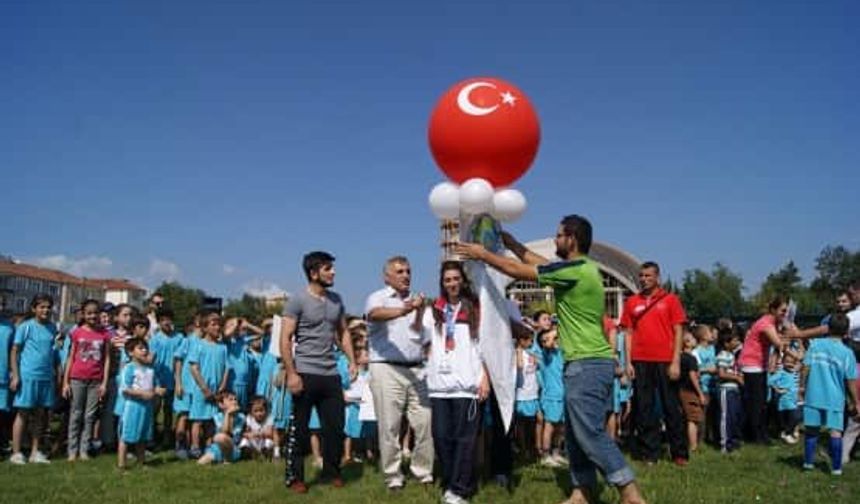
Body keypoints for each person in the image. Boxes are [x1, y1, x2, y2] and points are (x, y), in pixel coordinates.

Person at [456, 215, 644, 504]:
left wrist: (484, 254)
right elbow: (534, 261)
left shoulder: (575, 271)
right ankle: (581, 492)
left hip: (588, 363)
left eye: (558, 236)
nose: (554, 240)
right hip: (584, 364)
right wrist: (513, 244)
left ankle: (629, 492)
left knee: (590, 433)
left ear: (572, 239)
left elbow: (515, 270)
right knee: (575, 434)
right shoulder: (580, 269)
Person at [413, 260, 489, 504]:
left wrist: (485, 378)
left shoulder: (476, 309)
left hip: (467, 386)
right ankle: (452, 481)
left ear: (463, 281)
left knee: (465, 440)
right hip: (439, 386)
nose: (452, 283)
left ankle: (459, 490)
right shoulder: (433, 310)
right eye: (448, 280)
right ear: (442, 283)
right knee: (442, 437)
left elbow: (485, 347)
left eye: (456, 279)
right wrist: (416, 310)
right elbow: (418, 335)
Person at [281, 251, 356, 493]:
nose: (333, 272)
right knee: (300, 432)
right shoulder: (297, 300)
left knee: (335, 427)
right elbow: (285, 338)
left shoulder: (337, 300)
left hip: (330, 373)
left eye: (332, 268)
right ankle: (295, 478)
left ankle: (331, 472)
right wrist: (292, 373)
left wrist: (352, 360)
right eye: (327, 268)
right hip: (304, 372)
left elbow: (343, 332)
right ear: (314, 273)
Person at [364, 256, 434, 491]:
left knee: (425, 421)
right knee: (390, 426)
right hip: (386, 367)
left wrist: (417, 312)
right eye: (400, 271)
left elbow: (423, 336)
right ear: (387, 276)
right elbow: (373, 314)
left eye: (408, 271)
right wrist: (405, 309)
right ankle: (393, 475)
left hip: (416, 368)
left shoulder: (419, 304)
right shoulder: (379, 297)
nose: (406, 275)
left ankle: (422, 470)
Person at [620, 262, 689, 465]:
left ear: (657, 277)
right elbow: (628, 333)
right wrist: (628, 362)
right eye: (641, 275)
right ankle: (650, 452)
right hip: (640, 361)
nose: (644, 279)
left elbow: (678, 331)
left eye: (648, 275)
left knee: (671, 407)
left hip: (666, 360)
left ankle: (679, 453)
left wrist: (676, 360)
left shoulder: (670, 300)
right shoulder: (632, 302)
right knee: (644, 408)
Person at [801, 313, 858, 476]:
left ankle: (808, 464)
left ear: (828, 328)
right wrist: (856, 401)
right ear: (846, 332)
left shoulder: (815, 345)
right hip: (835, 398)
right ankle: (836, 468)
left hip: (813, 395)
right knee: (835, 432)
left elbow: (805, 368)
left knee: (811, 431)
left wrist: (802, 387)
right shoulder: (847, 353)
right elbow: (851, 380)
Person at [9, 294, 58, 465]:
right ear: (34, 308)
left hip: (46, 377)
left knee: (39, 415)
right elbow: (15, 351)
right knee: (22, 414)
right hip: (28, 376)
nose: (46, 310)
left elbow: (53, 353)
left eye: (48, 307)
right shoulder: (25, 327)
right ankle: (16, 452)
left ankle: (35, 452)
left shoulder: (52, 328)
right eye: (42, 307)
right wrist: (16, 375)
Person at [62, 299, 111, 461]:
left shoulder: (104, 334)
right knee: (76, 414)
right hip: (77, 378)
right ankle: (72, 450)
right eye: (89, 313)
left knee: (90, 416)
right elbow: (71, 357)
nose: (93, 316)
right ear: (83, 314)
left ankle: (84, 449)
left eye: (95, 313)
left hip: (95, 380)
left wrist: (104, 383)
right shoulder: (76, 332)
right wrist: (66, 382)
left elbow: (107, 359)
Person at [738, 297, 789, 444]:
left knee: (760, 402)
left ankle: (757, 432)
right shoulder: (765, 324)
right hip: (752, 365)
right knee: (757, 402)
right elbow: (779, 343)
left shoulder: (771, 323)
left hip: (759, 365)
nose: (784, 314)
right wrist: (789, 336)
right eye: (782, 311)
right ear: (773, 310)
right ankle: (756, 435)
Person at [118, 337, 165, 469]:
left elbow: (154, 385)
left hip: (147, 408)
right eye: (140, 348)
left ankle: (141, 462)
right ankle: (122, 465)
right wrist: (141, 394)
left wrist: (157, 390)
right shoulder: (129, 368)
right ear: (130, 352)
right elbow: (124, 388)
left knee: (143, 435)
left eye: (145, 348)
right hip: (133, 407)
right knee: (126, 436)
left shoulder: (151, 369)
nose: (144, 351)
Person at [188, 312, 230, 459]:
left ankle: (209, 445)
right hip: (201, 388)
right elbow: (194, 368)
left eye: (219, 324)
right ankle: (194, 446)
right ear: (205, 328)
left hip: (217, 389)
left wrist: (223, 384)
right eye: (213, 324)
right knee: (198, 419)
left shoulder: (223, 348)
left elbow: (226, 367)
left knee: (211, 419)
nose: (217, 327)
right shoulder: (198, 345)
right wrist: (204, 388)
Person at [149, 308, 183, 447]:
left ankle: (167, 438)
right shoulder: (155, 339)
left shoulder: (179, 338)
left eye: (168, 319)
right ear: (158, 322)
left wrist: (178, 379)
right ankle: (151, 437)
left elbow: (180, 359)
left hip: (173, 379)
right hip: (157, 379)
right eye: (163, 320)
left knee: (169, 410)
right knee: (155, 409)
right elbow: (151, 359)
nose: (166, 322)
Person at [537, 328, 566, 468]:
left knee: (561, 427)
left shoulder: (559, 352)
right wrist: (551, 334)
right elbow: (548, 343)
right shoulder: (545, 354)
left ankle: (556, 453)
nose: (551, 341)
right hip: (551, 396)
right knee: (549, 426)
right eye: (545, 339)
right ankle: (545, 455)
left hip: (563, 394)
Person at [716, 327, 744, 454]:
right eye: (734, 340)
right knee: (726, 417)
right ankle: (725, 444)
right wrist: (737, 378)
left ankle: (734, 440)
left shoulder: (731, 355)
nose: (737, 342)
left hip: (734, 389)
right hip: (726, 390)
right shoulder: (722, 355)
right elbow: (721, 373)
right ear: (726, 343)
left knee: (735, 416)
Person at [198, 391, 246, 465]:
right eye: (230, 400)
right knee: (201, 463)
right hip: (217, 448)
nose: (234, 402)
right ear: (221, 405)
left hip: (233, 447)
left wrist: (230, 415)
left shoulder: (242, 417)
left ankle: (227, 460)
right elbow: (224, 431)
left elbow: (227, 433)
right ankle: (220, 459)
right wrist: (227, 414)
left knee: (220, 437)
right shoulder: (216, 417)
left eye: (235, 399)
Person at [172, 320, 197, 459]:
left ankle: (191, 445)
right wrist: (179, 383)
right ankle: (180, 444)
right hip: (186, 385)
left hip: (197, 387)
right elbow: (178, 360)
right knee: (183, 415)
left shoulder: (203, 342)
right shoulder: (187, 341)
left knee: (195, 417)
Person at [514, 330, 540, 462]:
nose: (531, 342)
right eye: (529, 340)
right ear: (521, 340)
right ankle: (522, 450)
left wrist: (535, 357)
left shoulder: (532, 353)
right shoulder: (516, 353)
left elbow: (539, 365)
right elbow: (519, 366)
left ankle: (531, 449)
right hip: (521, 395)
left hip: (532, 394)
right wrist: (518, 351)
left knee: (532, 424)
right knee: (522, 425)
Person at [679, 332, 705, 453]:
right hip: (689, 391)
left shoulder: (679, 357)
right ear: (687, 343)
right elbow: (692, 376)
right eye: (693, 339)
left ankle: (684, 441)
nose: (695, 340)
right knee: (693, 419)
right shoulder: (691, 358)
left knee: (684, 417)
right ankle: (693, 446)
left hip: (680, 389)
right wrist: (700, 393)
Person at [691, 324, 718, 444]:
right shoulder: (696, 351)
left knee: (713, 413)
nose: (711, 334)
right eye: (708, 332)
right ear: (702, 337)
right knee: (703, 414)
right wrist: (708, 369)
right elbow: (695, 369)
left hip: (714, 385)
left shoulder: (713, 349)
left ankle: (711, 436)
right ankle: (700, 439)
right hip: (704, 386)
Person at [769, 353, 800, 444]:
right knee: (795, 416)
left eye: (791, 362)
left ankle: (786, 432)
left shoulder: (795, 372)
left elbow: (795, 385)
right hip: (785, 400)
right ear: (783, 362)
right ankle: (787, 433)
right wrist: (778, 389)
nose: (789, 364)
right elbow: (770, 381)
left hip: (793, 399)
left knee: (791, 418)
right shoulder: (781, 372)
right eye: (786, 362)